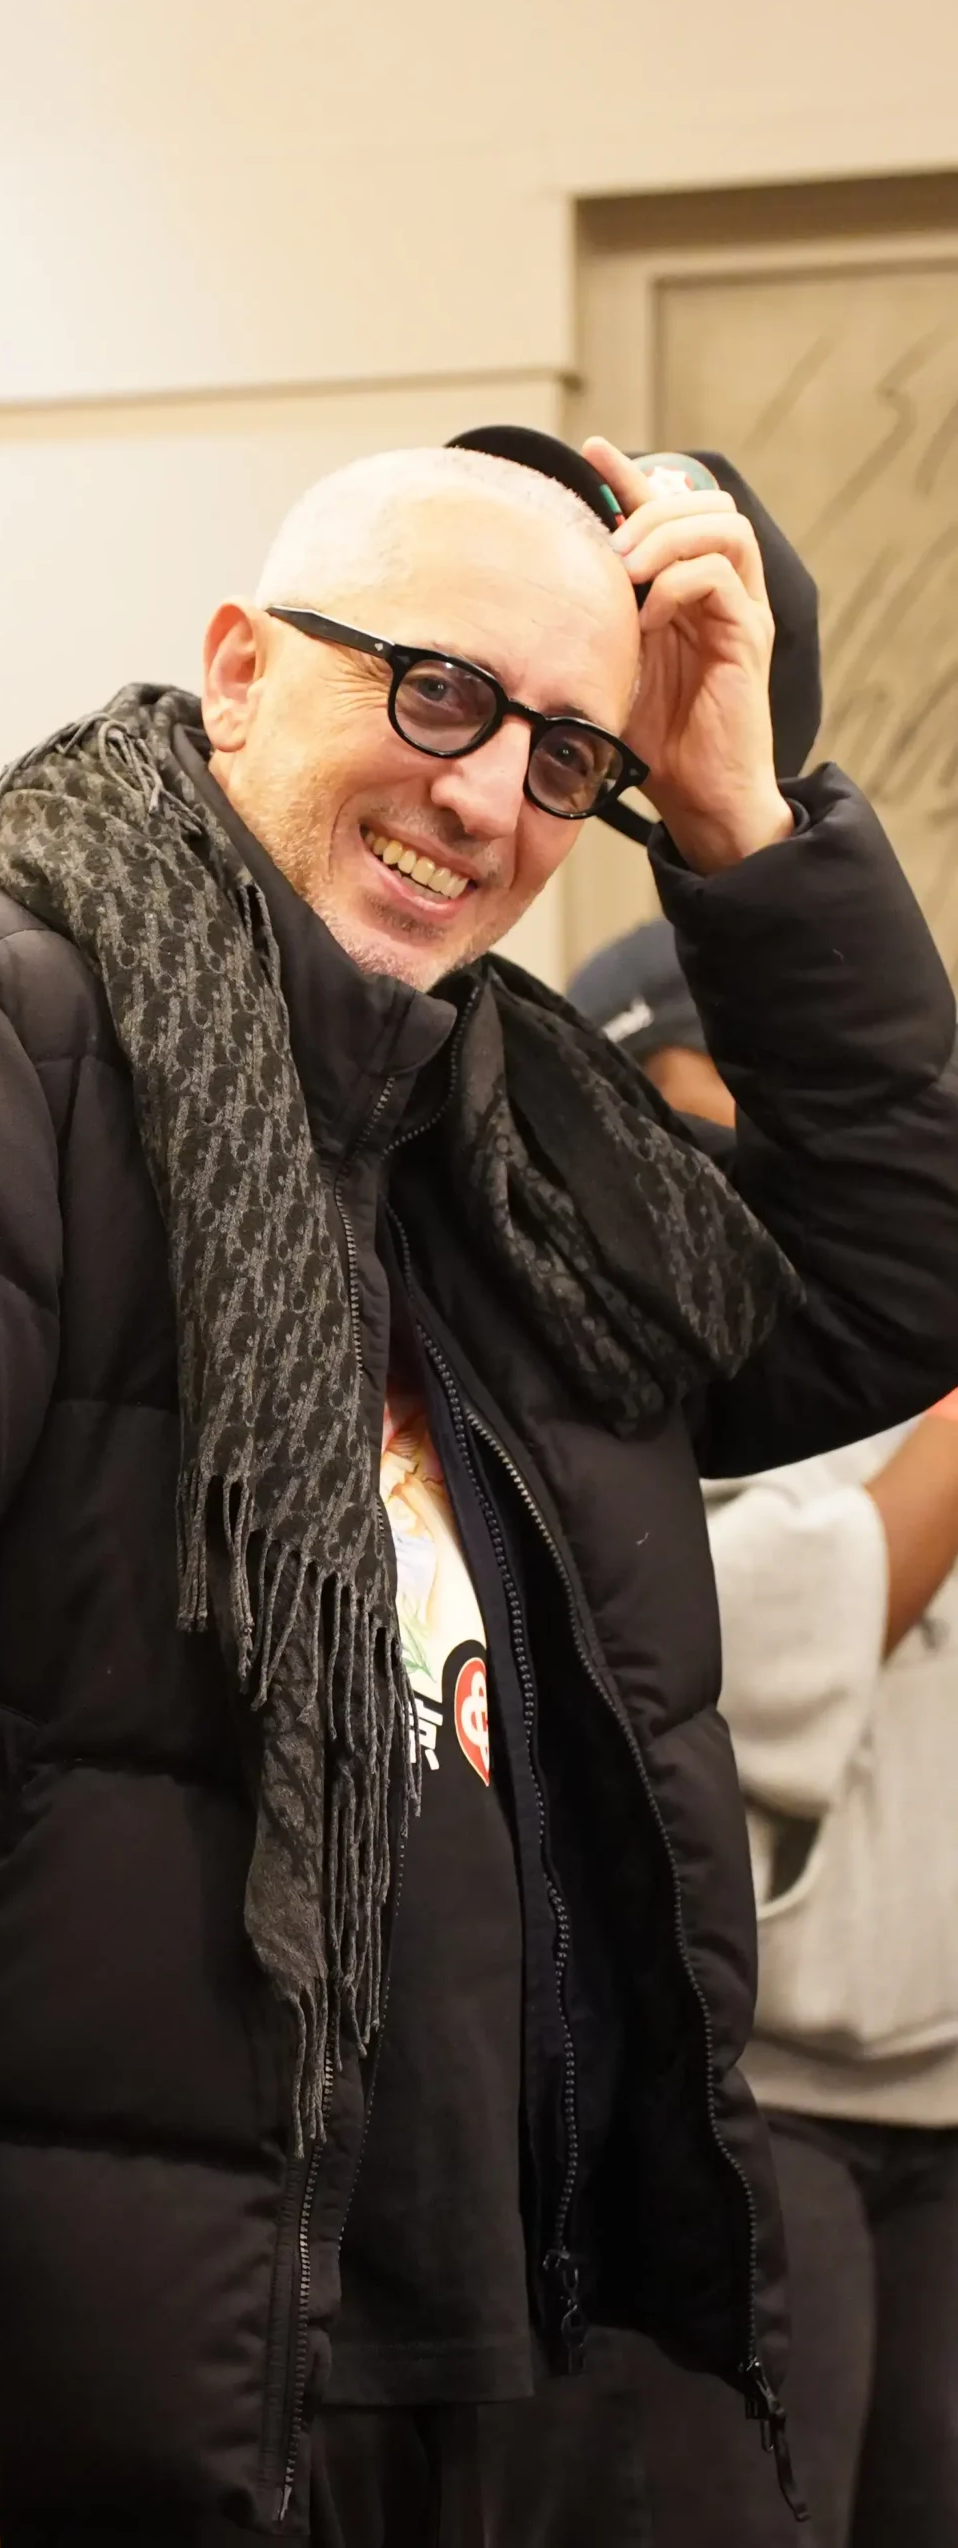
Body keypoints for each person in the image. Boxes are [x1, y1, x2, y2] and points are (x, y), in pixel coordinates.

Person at [0, 427, 958, 2548]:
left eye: (565, 756)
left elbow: (897, 1281)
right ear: (240, 665)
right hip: (140, 2372)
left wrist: (736, 815)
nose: (484, 797)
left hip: (551, 2360)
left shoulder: (524, 1147)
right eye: (435, 693)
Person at [484, 924, 958, 2548]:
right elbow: (748, 1617)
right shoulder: (599, 1331)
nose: (749, 1157)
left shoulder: (888, 1312)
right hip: (739, 2099)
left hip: (939, 2090)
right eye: (707, 1108)